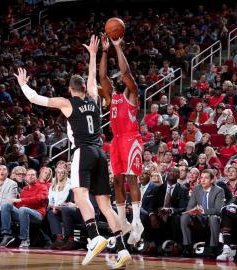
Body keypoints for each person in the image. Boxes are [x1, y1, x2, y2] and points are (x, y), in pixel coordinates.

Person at [14, 35, 131, 268]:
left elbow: (36, 98)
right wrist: (93, 55)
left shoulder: (67, 103)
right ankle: (122, 250)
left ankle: (94, 235)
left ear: (69, 89)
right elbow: (92, 79)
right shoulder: (95, 99)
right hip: (100, 153)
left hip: (83, 152)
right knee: (105, 205)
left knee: (79, 195)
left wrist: (23, 84)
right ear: (85, 89)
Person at [99, 34, 144, 246]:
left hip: (131, 139)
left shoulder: (132, 93)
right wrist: (104, 51)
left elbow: (125, 72)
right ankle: (123, 221)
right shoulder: (112, 97)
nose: (117, 79)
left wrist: (118, 47)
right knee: (116, 181)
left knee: (131, 178)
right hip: (116, 140)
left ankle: (137, 222)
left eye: (119, 78)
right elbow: (101, 77)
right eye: (116, 78)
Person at [181, 169, 225, 258]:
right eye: (201, 178)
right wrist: (192, 211)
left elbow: (218, 209)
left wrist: (203, 211)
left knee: (213, 218)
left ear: (212, 180)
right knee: (185, 216)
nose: (203, 180)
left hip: (212, 218)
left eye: (206, 178)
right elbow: (189, 207)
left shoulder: (219, 190)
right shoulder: (197, 189)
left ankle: (213, 248)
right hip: (200, 218)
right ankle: (187, 247)